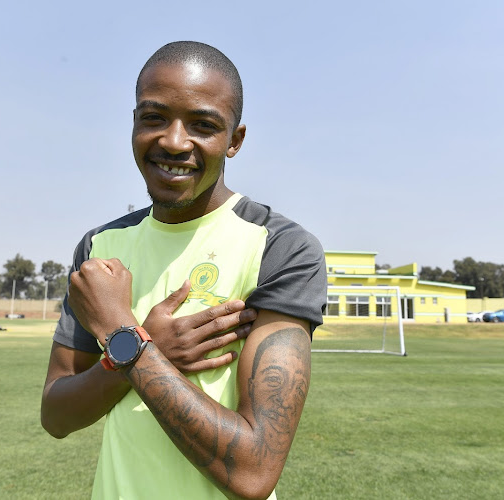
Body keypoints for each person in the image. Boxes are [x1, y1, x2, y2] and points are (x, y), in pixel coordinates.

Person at [41, 41, 327, 500]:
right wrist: (136, 354)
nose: (174, 141)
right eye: (153, 118)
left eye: (203, 125)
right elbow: (55, 416)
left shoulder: (280, 248)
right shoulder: (99, 249)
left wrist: (127, 338)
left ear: (234, 140)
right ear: (133, 124)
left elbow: (253, 471)